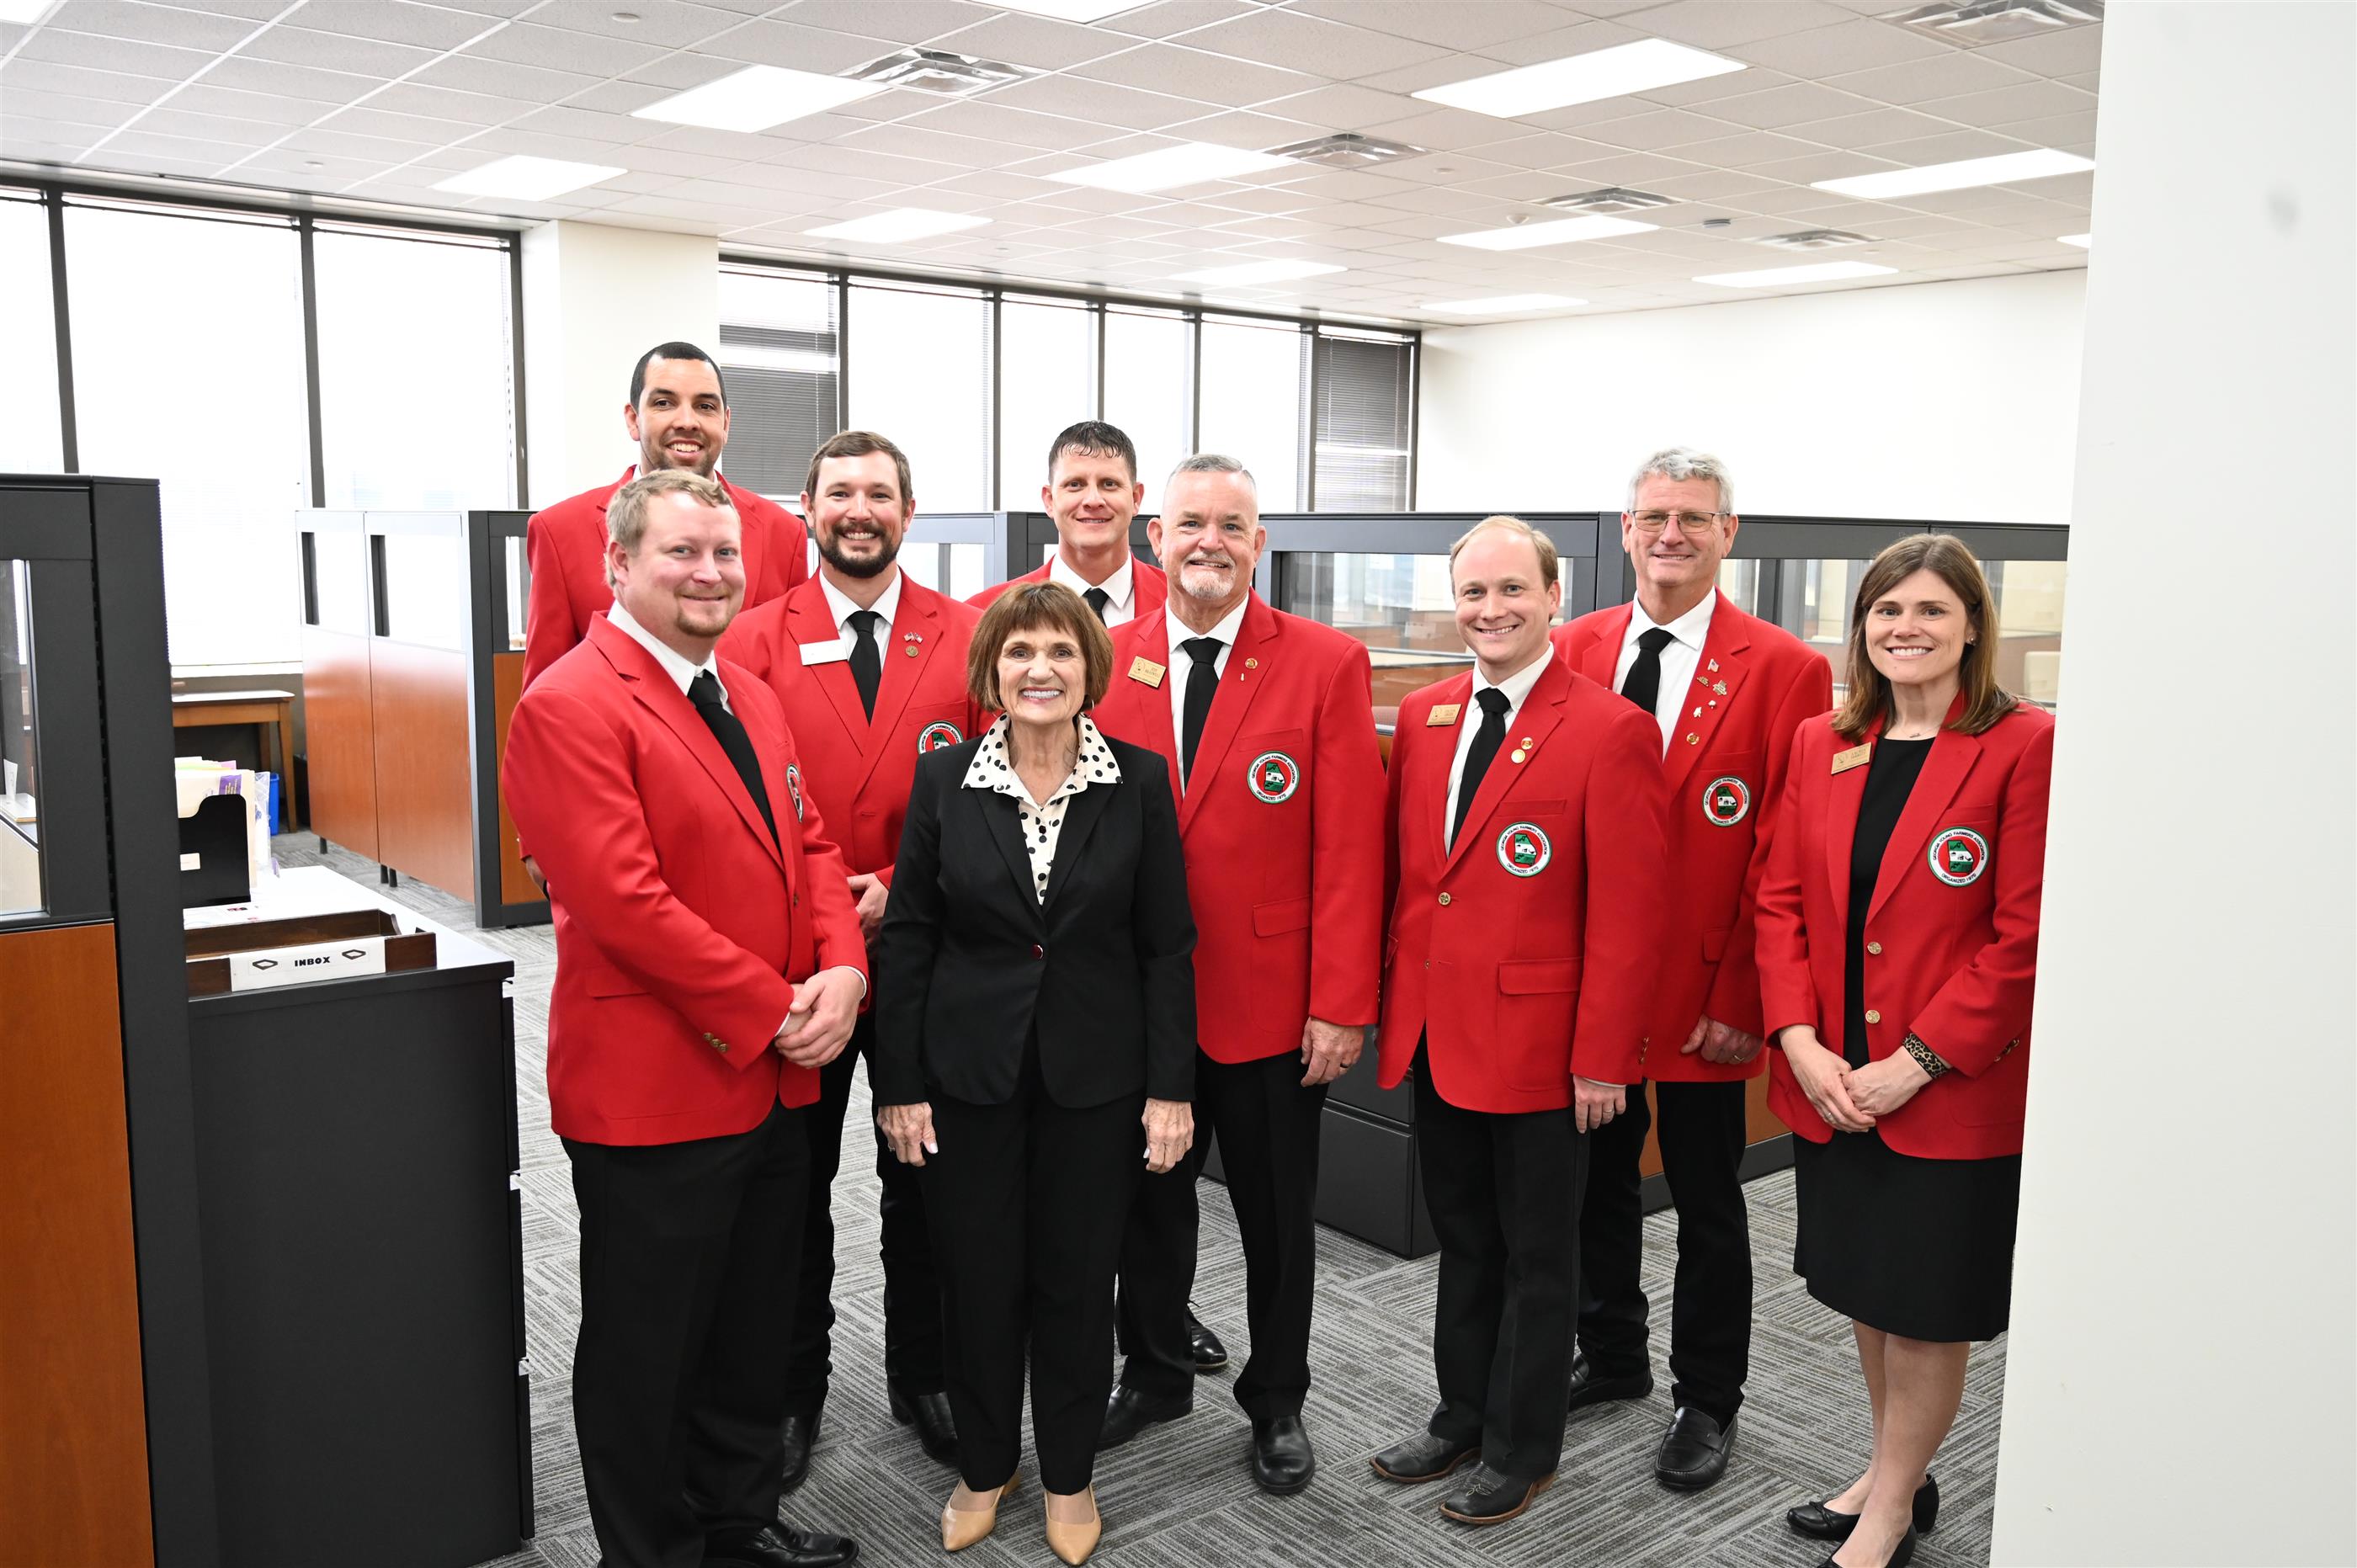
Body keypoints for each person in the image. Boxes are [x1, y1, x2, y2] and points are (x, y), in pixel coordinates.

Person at [500, 469, 864, 1568]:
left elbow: (810, 843)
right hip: (656, 1088)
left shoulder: (745, 688)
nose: (711, 573)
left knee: (751, 1328)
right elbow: (626, 906)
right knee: (649, 1348)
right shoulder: (569, 703)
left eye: (724, 553)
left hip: (772, 1081)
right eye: (681, 552)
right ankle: (652, 1551)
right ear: (617, 565)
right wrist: (777, 1007)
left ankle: (737, 1521)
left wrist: (846, 967)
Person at [872, 582, 1198, 1565]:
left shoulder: (1138, 780)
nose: (1040, 669)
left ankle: (1068, 1475)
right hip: (965, 1077)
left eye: (1060, 650)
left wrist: (1171, 1089)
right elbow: (910, 937)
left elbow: (1166, 946)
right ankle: (984, 1467)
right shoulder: (944, 779)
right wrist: (898, 1085)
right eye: (1019, 652)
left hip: (1096, 1079)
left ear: (1090, 668)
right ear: (991, 671)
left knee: (1075, 1281)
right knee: (975, 1280)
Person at [1753, 534, 2053, 1568]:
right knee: (1868, 1289)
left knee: (1924, 1309)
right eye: (1886, 611)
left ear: (1972, 626)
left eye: (1930, 610)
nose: (1905, 629)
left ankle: (1888, 1511)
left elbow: (2024, 937)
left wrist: (1914, 1062)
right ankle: (1894, 1470)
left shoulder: (2023, 744)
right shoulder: (1823, 741)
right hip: (1834, 1080)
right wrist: (1798, 1040)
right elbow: (1778, 901)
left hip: (1946, 1089)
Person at [1091, 454, 1385, 1494]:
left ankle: (1277, 1399)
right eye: (1188, 524)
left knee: (1275, 1222)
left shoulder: (1324, 662)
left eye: (1230, 525)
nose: (1207, 542)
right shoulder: (1104, 657)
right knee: (1145, 1209)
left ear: (1259, 544)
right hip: (1135, 1007)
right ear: (1154, 539)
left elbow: (1350, 847)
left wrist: (1340, 1003)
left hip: (1271, 1006)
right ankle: (1153, 1371)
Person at [1369, 517, 1669, 1528]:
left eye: (1511, 590)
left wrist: (1604, 1059)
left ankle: (1521, 1447)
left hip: (1547, 1053)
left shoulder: (1610, 728)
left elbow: (1630, 915)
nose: (1490, 610)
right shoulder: (1427, 715)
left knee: (1541, 1260)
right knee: (1466, 1243)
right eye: (1473, 592)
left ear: (1552, 598)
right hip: (1439, 1033)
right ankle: (1461, 1414)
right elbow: (1422, 884)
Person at [1551, 448, 1832, 1490]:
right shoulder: (1573, 645)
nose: (1671, 534)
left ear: (1728, 533)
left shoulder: (1785, 667)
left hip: (1709, 993)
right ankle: (1611, 1351)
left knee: (1709, 1204)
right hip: (1595, 991)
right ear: (1625, 529)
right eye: (1654, 516)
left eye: (1693, 518)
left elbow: (1785, 848)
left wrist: (1745, 994)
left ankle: (1707, 1398)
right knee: (1596, 1186)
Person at [721, 430, 981, 1487]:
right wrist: (842, 899)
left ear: (909, 512)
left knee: (927, 1181)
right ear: (808, 511)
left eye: (879, 494)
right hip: (801, 966)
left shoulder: (970, 635)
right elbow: (736, 805)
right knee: (792, 1193)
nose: (859, 511)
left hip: (935, 952)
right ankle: (793, 1392)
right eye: (839, 494)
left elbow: (1000, 790)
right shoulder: (748, 639)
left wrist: (896, 888)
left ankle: (927, 1375)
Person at [522, 341, 809, 689]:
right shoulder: (560, 531)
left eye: (705, 406)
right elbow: (546, 690)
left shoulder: (783, 533)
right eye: (663, 403)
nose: (687, 421)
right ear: (633, 420)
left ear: (725, 423)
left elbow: (792, 678)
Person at [969, 421, 1169, 630]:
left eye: (1109, 484)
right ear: (1049, 500)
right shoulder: (984, 616)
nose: (1093, 500)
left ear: (1136, 498)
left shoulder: (1182, 603)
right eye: (1075, 485)